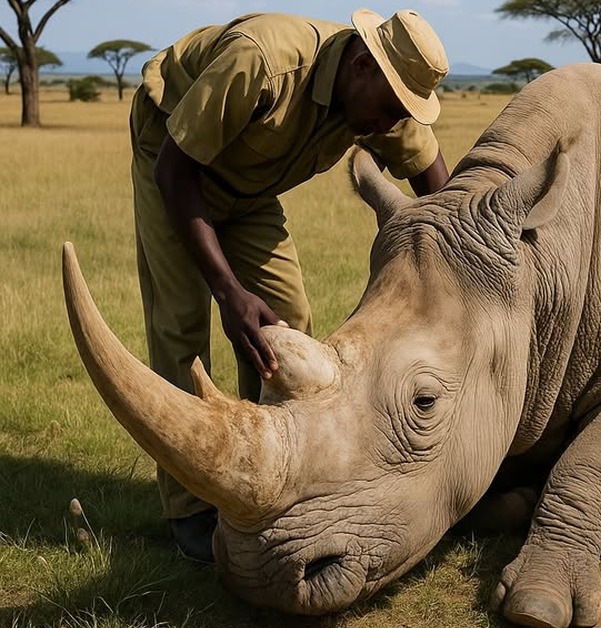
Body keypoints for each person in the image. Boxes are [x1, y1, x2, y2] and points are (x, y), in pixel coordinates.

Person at [128, 8, 451, 562]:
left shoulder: (383, 101)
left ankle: (265, 476)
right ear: (359, 65)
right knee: (182, 326)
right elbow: (175, 172)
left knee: (288, 327)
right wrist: (229, 292)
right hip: (173, 160)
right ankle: (191, 509)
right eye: (389, 108)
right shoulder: (264, 61)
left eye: (403, 114)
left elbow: (440, 193)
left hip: (249, 188)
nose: (390, 124)